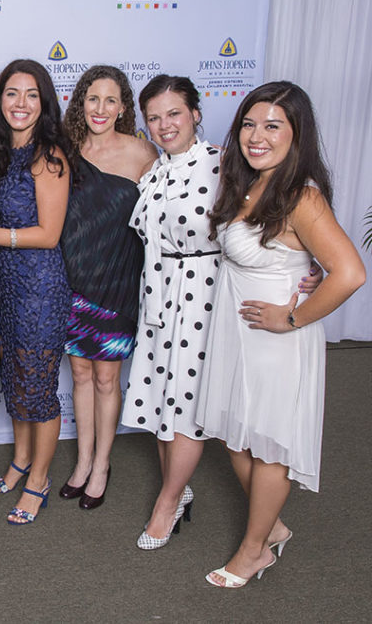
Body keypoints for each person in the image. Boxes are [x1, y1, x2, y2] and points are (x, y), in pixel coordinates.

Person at [120, 75, 321, 550]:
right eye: (154, 117)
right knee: (164, 398)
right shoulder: (153, 170)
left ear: (195, 114)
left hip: (207, 297)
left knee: (187, 405)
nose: (165, 125)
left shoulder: (226, 165)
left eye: (175, 113)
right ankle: (234, 512)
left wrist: (307, 268)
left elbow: (274, 216)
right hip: (160, 295)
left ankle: (168, 502)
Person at [197, 82, 364, 587]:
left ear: (296, 134)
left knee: (268, 446)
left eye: (273, 126)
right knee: (235, 438)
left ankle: (254, 552)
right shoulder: (248, 184)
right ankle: (272, 526)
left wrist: (290, 318)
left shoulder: (301, 196)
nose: (257, 136)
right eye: (249, 124)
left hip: (276, 340)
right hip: (236, 332)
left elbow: (350, 273)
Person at [0, 59, 72, 526]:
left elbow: (49, 234)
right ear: (0, 99)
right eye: (11, 93)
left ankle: (38, 480)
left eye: (31, 95)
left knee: (38, 390)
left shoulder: (48, 157)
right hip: (4, 286)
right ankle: (21, 460)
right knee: (16, 380)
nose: (20, 103)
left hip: (40, 288)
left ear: (44, 104)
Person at [54, 65, 157, 509]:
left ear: (122, 108)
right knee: (79, 373)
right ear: (81, 103)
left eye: (110, 100)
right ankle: (82, 461)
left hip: (117, 281)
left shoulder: (143, 153)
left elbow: (168, 216)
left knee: (106, 377)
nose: (100, 108)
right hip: (72, 280)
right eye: (92, 99)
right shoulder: (65, 150)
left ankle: (101, 465)